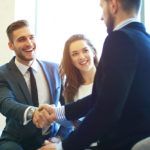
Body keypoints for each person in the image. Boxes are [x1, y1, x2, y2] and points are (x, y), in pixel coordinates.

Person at [38, 0, 150, 149]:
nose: (101, 17)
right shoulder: (144, 39)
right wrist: (58, 112)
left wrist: (62, 147)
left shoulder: (119, 39)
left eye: (102, 6)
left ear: (113, 5)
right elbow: (105, 97)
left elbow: (106, 110)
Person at [0, 20, 67, 150]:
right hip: (16, 141)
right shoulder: (2, 74)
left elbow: (68, 106)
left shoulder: (55, 69)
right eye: (21, 39)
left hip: (51, 138)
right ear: (11, 45)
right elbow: (6, 103)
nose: (29, 43)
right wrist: (34, 112)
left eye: (31, 37)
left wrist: (58, 139)